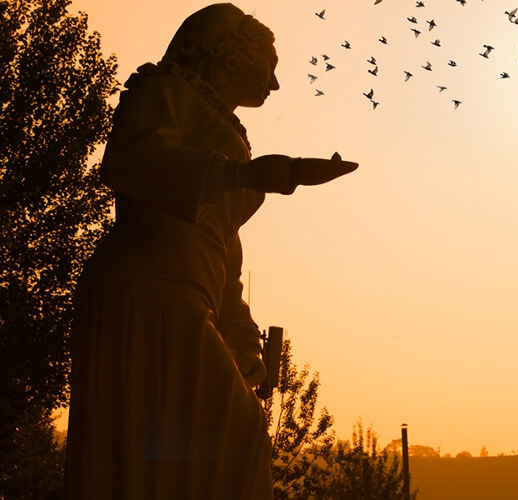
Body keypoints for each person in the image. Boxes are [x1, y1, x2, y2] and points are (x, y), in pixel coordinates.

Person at [64, 4, 357, 499]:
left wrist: (242, 334)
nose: (277, 84)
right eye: (272, 64)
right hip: (146, 290)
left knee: (219, 446)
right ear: (232, 50)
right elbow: (130, 162)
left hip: (188, 294)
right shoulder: (163, 88)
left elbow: (223, 248)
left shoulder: (224, 129)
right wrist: (246, 175)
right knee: (220, 438)